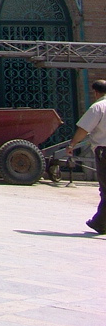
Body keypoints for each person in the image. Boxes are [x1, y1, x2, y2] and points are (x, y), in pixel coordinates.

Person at [66, 79, 106, 235]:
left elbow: (84, 129)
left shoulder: (98, 107)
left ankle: (100, 222)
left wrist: (72, 145)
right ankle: (100, 222)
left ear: (96, 93)